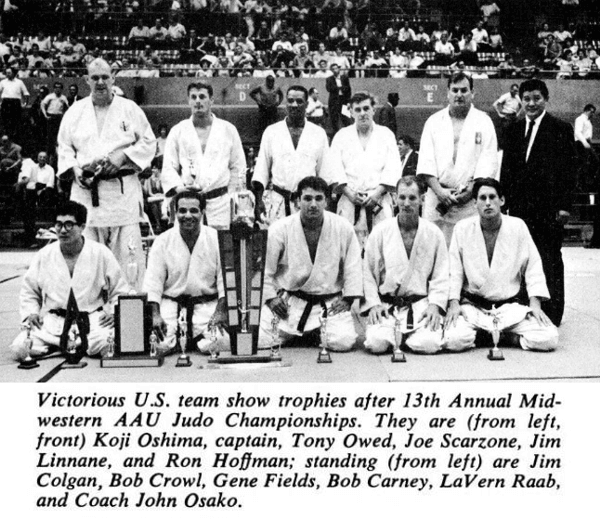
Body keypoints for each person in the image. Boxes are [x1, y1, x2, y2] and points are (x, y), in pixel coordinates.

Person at [57, 58, 156, 292]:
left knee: (129, 264)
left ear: (113, 78)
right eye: (95, 78)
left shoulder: (129, 109)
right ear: (86, 80)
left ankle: (129, 318)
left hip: (122, 195)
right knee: (88, 263)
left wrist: (123, 156)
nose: (100, 82)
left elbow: (149, 143)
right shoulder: (75, 112)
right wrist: (75, 170)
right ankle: (91, 318)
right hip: (86, 196)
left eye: (105, 77)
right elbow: (64, 147)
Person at [444, 178, 559, 352]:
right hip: (474, 307)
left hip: (509, 309)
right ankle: (494, 335)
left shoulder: (517, 226)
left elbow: (533, 267)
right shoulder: (462, 228)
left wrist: (535, 304)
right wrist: (454, 303)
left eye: (492, 197)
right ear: (475, 203)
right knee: (453, 339)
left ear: (502, 200)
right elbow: (455, 270)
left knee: (549, 337)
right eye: (482, 198)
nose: (488, 203)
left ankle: (502, 337)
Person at [9, 201, 129, 362]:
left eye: (69, 225)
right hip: (54, 322)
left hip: (92, 320)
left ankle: (71, 345)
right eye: (58, 225)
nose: (63, 230)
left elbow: (119, 288)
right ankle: (65, 345)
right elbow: (30, 290)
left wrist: (116, 312)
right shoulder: (45, 254)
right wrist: (31, 312)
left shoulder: (100, 252)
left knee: (111, 345)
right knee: (20, 348)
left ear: (82, 226)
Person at [501, 79, 577, 326]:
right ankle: (525, 306)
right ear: (520, 101)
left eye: (536, 98)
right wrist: (504, 203)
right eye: (527, 99)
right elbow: (507, 170)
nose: (531, 103)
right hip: (520, 208)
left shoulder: (561, 128)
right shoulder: (512, 130)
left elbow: (569, 171)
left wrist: (565, 205)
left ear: (546, 99)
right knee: (521, 257)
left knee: (549, 256)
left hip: (549, 208)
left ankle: (553, 310)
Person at [260, 176, 362, 351]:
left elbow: (353, 266)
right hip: (290, 303)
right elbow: (264, 269)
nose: (313, 204)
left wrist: (349, 298)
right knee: (260, 340)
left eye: (318, 198)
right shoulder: (280, 229)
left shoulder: (343, 227)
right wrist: (271, 298)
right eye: (307, 198)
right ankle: (309, 334)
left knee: (343, 341)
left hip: (328, 303)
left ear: (327, 201)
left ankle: (308, 334)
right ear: (298, 201)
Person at [363, 176, 449, 354]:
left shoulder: (434, 233)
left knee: (429, 344)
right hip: (388, 307)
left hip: (420, 306)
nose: (406, 203)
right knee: (376, 344)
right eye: (402, 197)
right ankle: (397, 336)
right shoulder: (381, 231)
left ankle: (401, 338)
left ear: (422, 200)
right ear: (395, 199)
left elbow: (441, 275)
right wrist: (373, 304)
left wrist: (435, 305)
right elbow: (368, 273)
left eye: (412, 198)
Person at [417, 72, 498, 245]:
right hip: (437, 199)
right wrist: (439, 191)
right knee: (435, 251)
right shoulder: (433, 121)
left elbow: (488, 161)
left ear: (472, 93)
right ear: (447, 93)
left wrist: (471, 191)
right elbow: (426, 161)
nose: (459, 95)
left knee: (468, 252)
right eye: (455, 90)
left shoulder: (484, 121)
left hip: (469, 200)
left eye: (464, 90)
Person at [143, 191, 229, 355]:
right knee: (156, 345)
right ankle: (182, 340)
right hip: (171, 305)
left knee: (223, 340)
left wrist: (221, 311)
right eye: (182, 210)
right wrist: (155, 314)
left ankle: (190, 342)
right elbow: (153, 283)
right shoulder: (163, 240)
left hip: (205, 306)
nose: (187, 215)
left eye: (193, 210)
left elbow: (224, 282)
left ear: (202, 213)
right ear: (175, 213)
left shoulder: (216, 239)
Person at [161, 82, 246, 229]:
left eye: (202, 96)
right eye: (193, 97)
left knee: (218, 248)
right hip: (189, 203)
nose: (198, 101)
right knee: (188, 249)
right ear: (188, 100)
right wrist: (180, 189)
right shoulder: (178, 130)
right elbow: (169, 167)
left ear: (211, 100)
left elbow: (237, 167)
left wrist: (231, 196)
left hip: (220, 203)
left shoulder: (228, 129)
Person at [331, 91, 402, 249]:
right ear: (350, 112)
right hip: (349, 201)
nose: (362, 113)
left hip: (379, 202)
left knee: (381, 251)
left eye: (366, 108)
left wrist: (377, 193)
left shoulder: (386, 135)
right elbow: (334, 168)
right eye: (357, 110)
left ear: (373, 110)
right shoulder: (341, 136)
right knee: (348, 252)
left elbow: (393, 168)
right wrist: (349, 193)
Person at [252, 85, 331, 223]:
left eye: (299, 101)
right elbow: (261, 171)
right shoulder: (272, 132)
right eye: (290, 100)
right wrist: (259, 202)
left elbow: (325, 175)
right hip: (278, 202)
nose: (294, 105)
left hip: (308, 203)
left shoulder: (318, 133)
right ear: (286, 103)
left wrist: (325, 205)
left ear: (307, 104)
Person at [41, 82, 69, 156]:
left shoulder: (63, 98)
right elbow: (43, 104)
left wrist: (64, 117)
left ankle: (56, 154)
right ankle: (48, 153)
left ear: (61, 89)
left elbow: (67, 107)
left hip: (59, 117)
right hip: (50, 117)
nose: (57, 89)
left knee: (58, 136)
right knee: (49, 136)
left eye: (59, 87)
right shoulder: (50, 96)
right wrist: (45, 115)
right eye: (56, 87)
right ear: (54, 88)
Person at [0, 66, 29, 139]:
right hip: (5, 103)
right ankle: (6, 138)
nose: (7, 74)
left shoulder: (19, 82)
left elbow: (26, 93)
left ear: (13, 73)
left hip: (15, 103)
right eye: (6, 73)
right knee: (5, 123)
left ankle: (15, 139)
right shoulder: (2, 82)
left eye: (9, 73)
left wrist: (25, 104)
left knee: (16, 123)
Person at [574, 104, 598, 191]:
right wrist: (584, 142)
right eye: (591, 112)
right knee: (585, 163)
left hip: (587, 143)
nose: (592, 114)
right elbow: (578, 132)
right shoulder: (580, 119)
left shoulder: (588, 121)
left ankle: (586, 181)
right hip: (581, 143)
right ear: (586, 110)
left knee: (590, 162)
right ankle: (582, 183)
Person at [492, 83, 522, 148]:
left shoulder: (517, 97)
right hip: (506, 116)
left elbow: (521, 106)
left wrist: (518, 114)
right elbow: (495, 104)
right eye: (514, 90)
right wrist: (499, 114)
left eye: (516, 91)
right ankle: (502, 148)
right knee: (505, 133)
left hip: (513, 116)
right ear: (511, 90)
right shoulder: (505, 96)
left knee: (514, 133)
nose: (515, 92)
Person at [325, 63, 351, 134]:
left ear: (339, 69)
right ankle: (336, 134)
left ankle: (349, 133)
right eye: (333, 69)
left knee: (346, 119)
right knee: (334, 119)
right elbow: (329, 89)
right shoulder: (329, 79)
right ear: (331, 70)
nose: (335, 70)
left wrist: (349, 102)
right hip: (334, 101)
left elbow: (348, 90)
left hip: (344, 101)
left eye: (336, 68)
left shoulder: (345, 78)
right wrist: (340, 87)